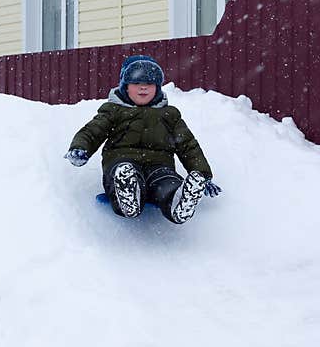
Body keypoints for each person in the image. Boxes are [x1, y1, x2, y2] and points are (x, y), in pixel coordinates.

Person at [64, 54, 220, 224]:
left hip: (159, 166)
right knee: (124, 175)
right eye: (137, 83)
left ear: (157, 88)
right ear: (125, 86)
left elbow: (188, 146)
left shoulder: (169, 115)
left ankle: (177, 201)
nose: (143, 88)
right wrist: (80, 148)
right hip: (122, 162)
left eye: (149, 84)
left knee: (167, 182)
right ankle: (128, 197)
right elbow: (93, 130)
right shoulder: (114, 111)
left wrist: (203, 175)